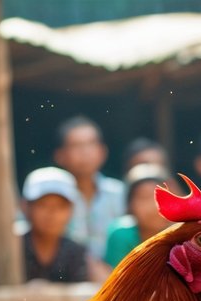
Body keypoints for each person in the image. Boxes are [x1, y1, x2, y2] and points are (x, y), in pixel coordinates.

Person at [53, 116, 124, 264]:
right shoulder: (53, 197)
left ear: (102, 152)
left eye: (91, 144)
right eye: (76, 145)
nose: (85, 152)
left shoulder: (120, 193)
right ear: (60, 156)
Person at [19, 167, 88, 284]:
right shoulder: (14, 246)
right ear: (26, 207)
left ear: (71, 211)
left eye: (60, 206)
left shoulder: (75, 252)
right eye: (43, 205)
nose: (51, 214)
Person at [103, 163, 171, 273]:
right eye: (144, 198)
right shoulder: (121, 234)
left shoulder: (185, 235)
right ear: (129, 205)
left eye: (161, 197)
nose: (154, 205)